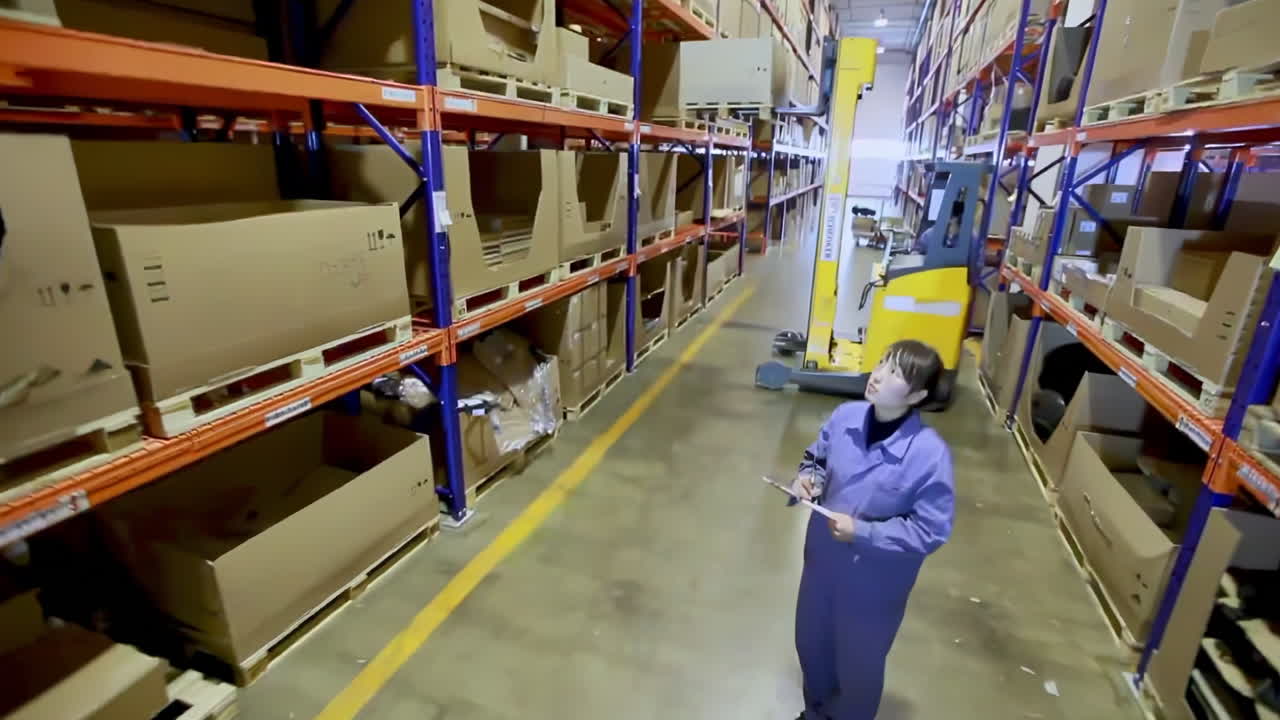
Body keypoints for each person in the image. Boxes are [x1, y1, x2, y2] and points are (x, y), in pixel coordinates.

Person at [789, 339, 956, 720]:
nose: (878, 376)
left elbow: (930, 530)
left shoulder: (929, 455)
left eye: (895, 373)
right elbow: (816, 456)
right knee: (812, 648)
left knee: (857, 666)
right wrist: (807, 480)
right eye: (881, 363)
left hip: (873, 583)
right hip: (822, 567)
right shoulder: (845, 416)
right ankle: (815, 714)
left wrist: (865, 533)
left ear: (917, 395)